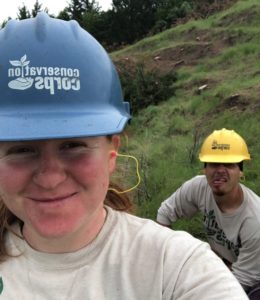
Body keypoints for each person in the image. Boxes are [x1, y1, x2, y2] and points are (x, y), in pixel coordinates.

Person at [0, 14, 248, 299]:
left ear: (111, 153)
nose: (50, 178)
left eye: (73, 145)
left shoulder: (177, 267)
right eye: (22, 149)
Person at [157, 128, 260, 298]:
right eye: (213, 163)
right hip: (227, 264)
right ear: (205, 169)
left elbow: (240, 282)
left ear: (240, 171)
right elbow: (165, 213)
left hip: (253, 276)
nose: (220, 170)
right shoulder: (198, 187)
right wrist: (164, 260)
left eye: (228, 164)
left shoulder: (255, 220)